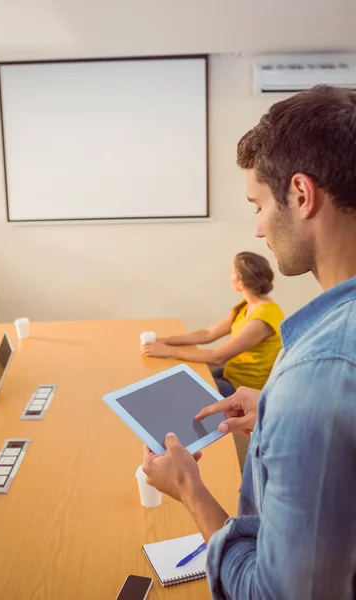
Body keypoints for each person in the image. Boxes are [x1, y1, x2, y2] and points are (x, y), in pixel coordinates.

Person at [142, 85, 356, 599]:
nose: (258, 229)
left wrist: (191, 492)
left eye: (258, 205)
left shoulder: (320, 375)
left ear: (302, 195)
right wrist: (276, 410)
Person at [141, 252, 284, 396]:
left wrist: (168, 351)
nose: (229, 275)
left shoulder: (261, 319)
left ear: (241, 284)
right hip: (231, 373)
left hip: (243, 389)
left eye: (232, 272)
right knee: (180, 375)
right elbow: (209, 333)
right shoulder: (248, 305)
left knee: (177, 389)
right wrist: (166, 341)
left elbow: (217, 357)